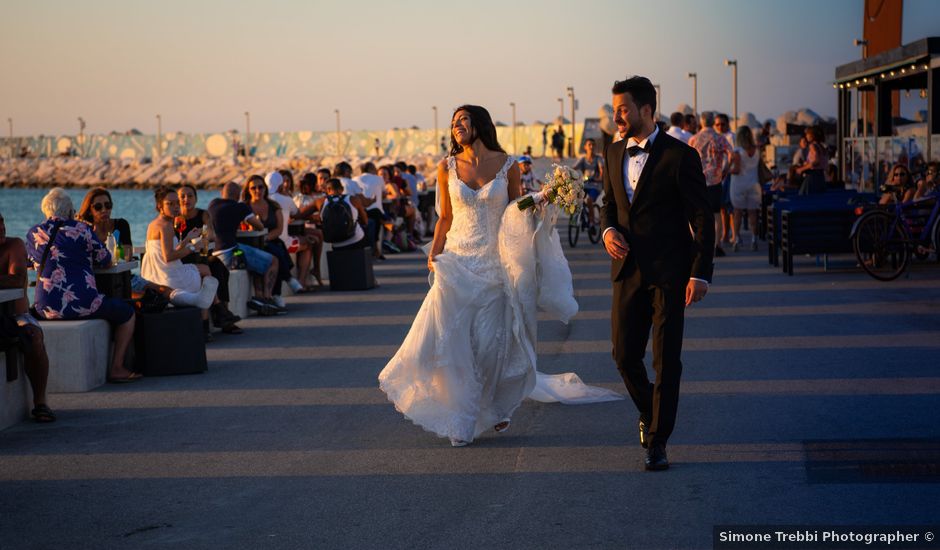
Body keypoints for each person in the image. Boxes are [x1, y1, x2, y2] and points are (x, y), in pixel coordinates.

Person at [379, 105, 620, 448]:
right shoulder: (445, 167)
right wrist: (433, 253)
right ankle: (462, 418)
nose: (457, 126)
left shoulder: (506, 164)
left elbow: (515, 209)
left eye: (463, 119)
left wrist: (545, 197)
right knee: (456, 342)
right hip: (457, 262)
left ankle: (494, 405)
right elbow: (444, 217)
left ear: (480, 123)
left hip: (494, 263)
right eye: (453, 123)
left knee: (491, 343)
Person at [601, 76, 715, 470]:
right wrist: (607, 230)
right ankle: (653, 410)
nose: (616, 115)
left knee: (666, 360)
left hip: (670, 273)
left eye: (622, 109)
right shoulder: (613, 153)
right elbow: (609, 204)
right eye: (614, 108)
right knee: (622, 355)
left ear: (646, 110)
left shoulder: (680, 156)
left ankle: (657, 442)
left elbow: (702, 217)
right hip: (627, 272)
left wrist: (700, 273)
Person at [26, 189, 139, 383]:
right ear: (70, 210)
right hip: (82, 303)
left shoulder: (34, 233)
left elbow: (30, 262)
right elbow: (105, 260)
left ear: (45, 211)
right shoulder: (82, 229)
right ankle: (117, 367)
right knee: (128, 314)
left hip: (46, 308)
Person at [142, 186, 220, 341]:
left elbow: (168, 250)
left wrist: (186, 239)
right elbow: (169, 256)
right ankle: (203, 319)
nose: (176, 206)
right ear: (160, 206)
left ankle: (204, 308)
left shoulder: (154, 224)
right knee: (205, 270)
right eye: (170, 204)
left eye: (176, 203)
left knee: (203, 269)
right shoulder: (166, 225)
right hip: (168, 274)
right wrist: (193, 247)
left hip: (154, 273)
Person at [0, 210, 54, 421]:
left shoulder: (14, 246)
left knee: (34, 336)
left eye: (2, 221)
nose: (2, 227)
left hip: (16, 315)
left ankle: (40, 402)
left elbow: (17, 279)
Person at [176, 184, 242, 333]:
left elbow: (211, 234)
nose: (187, 199)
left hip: (202, 256)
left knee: (219, 268)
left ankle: (224, 311)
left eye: (190, 196)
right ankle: (221, 314)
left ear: (196, 198)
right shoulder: (175, 219)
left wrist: (201, 235)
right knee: (206, 272)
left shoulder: (203, 215)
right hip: (183, 259)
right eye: (182, 196)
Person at [208, 181, 279, 316]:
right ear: (238, 195)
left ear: (222, 193)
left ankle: (258, 296)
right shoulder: (240, 207)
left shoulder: (212, 204)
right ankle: (267, 297)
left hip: (215, 253)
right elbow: (259, 227)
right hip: (231, 252)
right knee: (273, 261)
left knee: (253, 257)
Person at [241, 175, 290, 312]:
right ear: (248, 190)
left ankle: (268, 296)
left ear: (265, 188)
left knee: (274, 252)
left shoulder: (274, 206)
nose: (257, 190)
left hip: (270, 240)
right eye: (253, 188)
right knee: (267, 255)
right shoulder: (244, 207)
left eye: (260, 187)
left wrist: (266, 237)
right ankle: (266, 296)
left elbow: (279, 229)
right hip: (250, 243)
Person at [690, 111, 732, 257]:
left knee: (696, 213)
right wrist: (725, 169)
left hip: (698, 180)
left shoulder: (694, 139)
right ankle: (717, 244)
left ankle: (697, 243)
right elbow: (731, 153)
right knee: (716, 214)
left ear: (701, 122)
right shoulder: (719, 138)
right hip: (715, 180)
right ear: (713, 122)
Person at [267, 171, 305, 294]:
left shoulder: (263, 200)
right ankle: (301, 281)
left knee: (277, 250)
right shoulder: (285, 199)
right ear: (280, 185)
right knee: (309, 243)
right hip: (284, 243)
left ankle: (291, 282)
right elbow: (297, 214)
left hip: (270, 241)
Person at [729, 126, 762, 251]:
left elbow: (736, 170)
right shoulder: (757, 150)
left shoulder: (737, 151)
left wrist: (727, 172)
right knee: (753, 213)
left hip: (739, 185)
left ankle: (736, 239)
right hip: (754, 184)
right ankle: (754, 239)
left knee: (737, 213)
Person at [292, 173, 326, 288]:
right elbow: (297, 215)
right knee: (316, 236)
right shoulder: (299, 198)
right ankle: (316, 270)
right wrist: (312, 217)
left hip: (309, 226)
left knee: (317, 235)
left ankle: (316, 269)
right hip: (300, 227)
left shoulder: (318, 197)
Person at [76, 187, 132, 252]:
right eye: (98, 207)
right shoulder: (85, 231)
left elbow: (128, 255)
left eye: (107, 205)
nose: (104, 210)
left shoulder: (121, 225)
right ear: (89, 211)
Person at [321, 178, 370, 250]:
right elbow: (365, 221)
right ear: (342, 189)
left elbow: (301, 214)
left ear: (327, 190)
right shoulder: (353, 199)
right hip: (355, 239)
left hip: (335, 242)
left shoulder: (321, 202)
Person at [355, 162, 388, 259]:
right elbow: (384, 194)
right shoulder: (378, 179)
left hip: (360, 212)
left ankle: (375, 249)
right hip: (376, 211)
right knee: (382, 218)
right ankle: (377, 249)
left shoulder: (355, 179)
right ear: (370, 169)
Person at [573, 138, 605, 224]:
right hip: (585, 184)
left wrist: (599, 178)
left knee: (589, 200)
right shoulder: (583, 159)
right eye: (589, 145)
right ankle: (575, 218)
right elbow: (573, 168)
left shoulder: (599, 159)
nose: (591, 147)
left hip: (596, 185)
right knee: (574, 196)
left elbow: (602, 170)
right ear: (585, 147)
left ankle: (591, 220)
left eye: (593, 145)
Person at [795, 127, 828, 195]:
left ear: (812, 135)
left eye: (807, 134)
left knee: (803, 197)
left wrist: (801, 169)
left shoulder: (813, 146)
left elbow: (816, 161)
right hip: (821, 176)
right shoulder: (821, 146)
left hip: (812, 176)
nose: (806, 136)